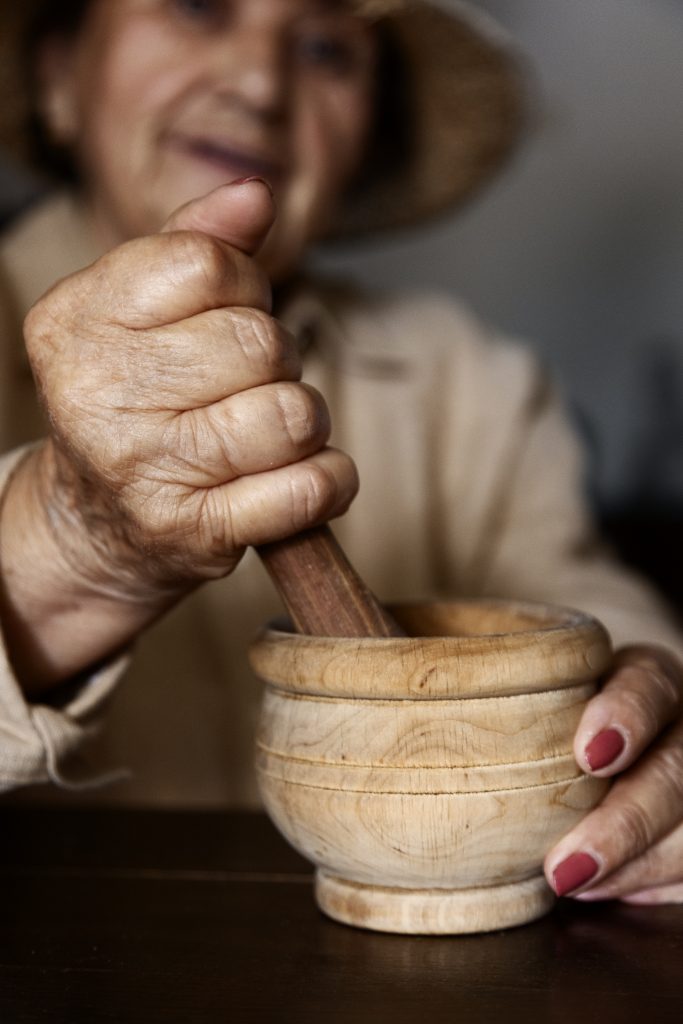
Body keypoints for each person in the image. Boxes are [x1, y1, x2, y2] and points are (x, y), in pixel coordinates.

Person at [0, 0, 681, 905]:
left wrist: (647, 702)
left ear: (363, 134)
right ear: (57, 73)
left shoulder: (471, 378)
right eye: (198, 7)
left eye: (325, 47)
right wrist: (73, 540)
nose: (257, 85)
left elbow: (575, 590)